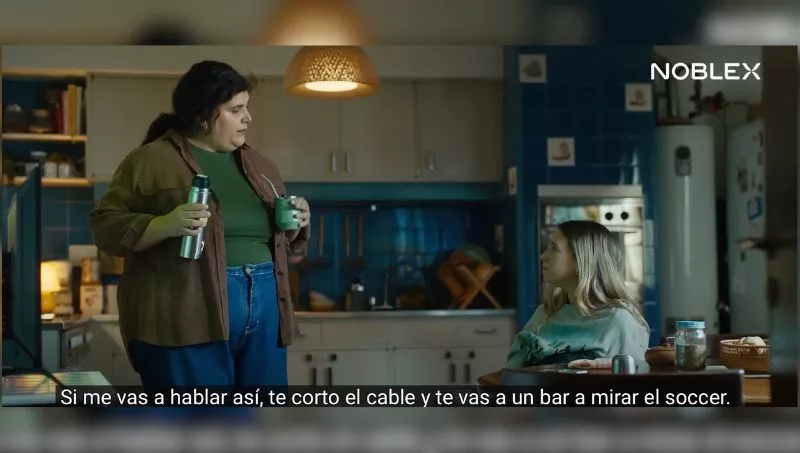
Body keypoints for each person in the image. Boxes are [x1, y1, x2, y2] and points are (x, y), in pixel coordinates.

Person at [88, 60, 311, 395]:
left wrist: (298, 220)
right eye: (236, 110)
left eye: (247, 108)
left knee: (263, 419)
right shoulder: (149, 161)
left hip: (266, 314)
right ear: (204, 115)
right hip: (184, 319)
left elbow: (285, 245)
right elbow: (104, 226)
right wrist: (162, 224)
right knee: (197, 419)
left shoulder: (262, 166)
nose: (248, 118)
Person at [506, 220, 649, 368]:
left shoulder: (620, 321)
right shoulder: (545, 314)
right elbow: (511, 372)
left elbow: (637, 377)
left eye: (554, 248)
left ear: (581, 261)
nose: (543, 256)